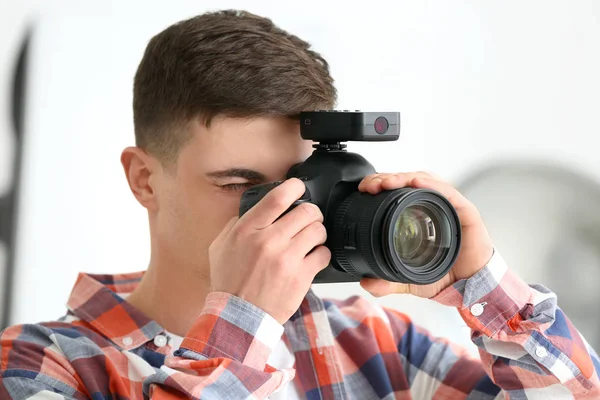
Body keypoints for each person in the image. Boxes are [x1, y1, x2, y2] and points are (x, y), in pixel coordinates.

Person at [0, 9, 598, 400]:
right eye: (242, 186)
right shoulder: (40, 364)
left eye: (300, 182)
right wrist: (243, 326)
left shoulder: (368, 341)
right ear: (144, 180)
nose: (284, 219)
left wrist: (487, 287)